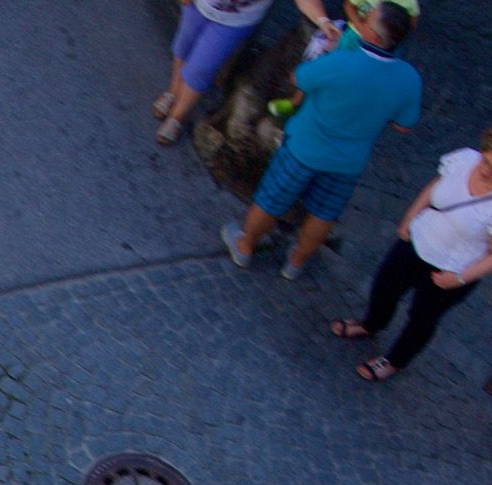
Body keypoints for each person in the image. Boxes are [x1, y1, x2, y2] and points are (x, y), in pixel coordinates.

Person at [221, 0, 420, 281]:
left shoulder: (340, 60)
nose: (360, 19)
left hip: (304, 147)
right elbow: (403, 125)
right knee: (324, 213)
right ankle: (296, 263)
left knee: (272, 199)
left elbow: (299, 78)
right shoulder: (409, 78)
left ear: (374, 36)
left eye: (366, 17)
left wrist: (326, 54)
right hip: (349, 161)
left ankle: (245, 245)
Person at [329, 125, 492, 381]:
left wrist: (458, 279)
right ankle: (371, 324)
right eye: (486, 160)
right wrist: (410, 216)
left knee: (421, 318)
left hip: (450, 271)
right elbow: (435, 187)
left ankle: (394, 361)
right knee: (385, 286)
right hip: (417, 241)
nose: (486, 170)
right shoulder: (464, 159)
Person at [154, 0, 276, 147]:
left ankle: (177, 116)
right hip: (200, 5)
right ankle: (173, 92)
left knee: (202, 68)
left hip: (236, 20)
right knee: (184, 46)